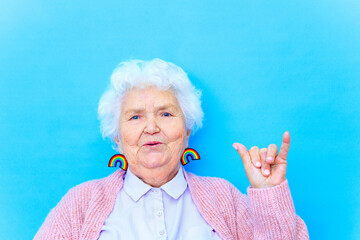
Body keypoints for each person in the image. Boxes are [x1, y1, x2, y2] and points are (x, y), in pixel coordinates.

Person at [34, 59, 309, 240]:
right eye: (135, 116)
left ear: (187, 131)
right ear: (117, 138)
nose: (151, 127)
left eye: (166, 114)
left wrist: (268, 193)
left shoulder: (223, 197)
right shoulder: (80, 203)